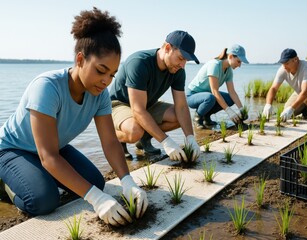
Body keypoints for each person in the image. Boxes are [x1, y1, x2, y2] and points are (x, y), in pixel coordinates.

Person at [0, 7, 147, 226]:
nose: (106, 80)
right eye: (100, 70)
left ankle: (39, 175)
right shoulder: (47, 87)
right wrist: (96, 200)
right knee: (44, 200)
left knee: (95, 182)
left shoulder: (100, 95)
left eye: (112, 74)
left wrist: (128, 181)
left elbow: (109, 142)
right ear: (80, 59)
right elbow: (48, 157)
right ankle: (5, 184)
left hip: (54, 147)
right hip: (13, 150)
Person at [109, 30, 201, 161]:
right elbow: (137, 110)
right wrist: (166, 141)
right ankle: (114, 137)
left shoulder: (178, 70)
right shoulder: (139, 63)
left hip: (147, 104)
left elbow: (181, 107)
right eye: (181, 58)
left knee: (178, 117)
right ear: (167, 48)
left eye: (186, 60)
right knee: (135, 130)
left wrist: (190, 138)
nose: (182, 64)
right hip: (120, 104)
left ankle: (144, 140)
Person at [186, 44, 249, 129]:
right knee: (210, 97)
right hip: (192, 96)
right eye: (238, 61)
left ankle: (206, 117)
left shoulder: (229, 70)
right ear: (230, 56)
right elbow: (214, 91)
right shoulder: (214, 65)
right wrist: (229, 111)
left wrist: (242, 110)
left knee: (230, 99)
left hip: (208, 95)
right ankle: (197, 118)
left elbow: (232, 92)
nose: (240, 65)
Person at [262, 48, 307, 122]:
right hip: (300, 93)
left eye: (287, 63)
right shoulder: (283, 69)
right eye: (283, 63)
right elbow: (273, 88)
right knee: (287, 111)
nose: (284, 66)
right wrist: (268, 104)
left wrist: (292, 108)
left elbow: (305, 91)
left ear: (296, 59)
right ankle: (304, 110)